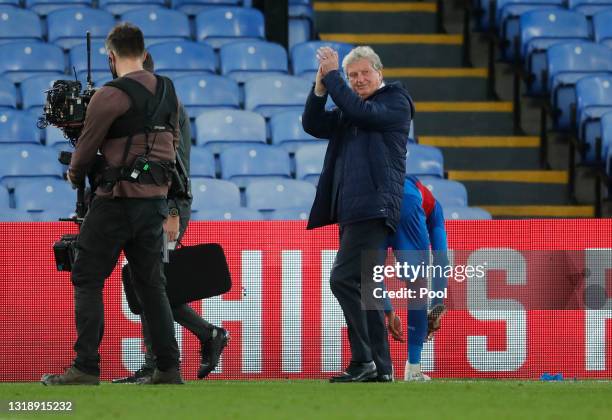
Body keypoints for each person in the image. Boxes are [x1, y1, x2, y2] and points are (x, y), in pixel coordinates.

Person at [41, 23, 182, 385]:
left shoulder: (110, 94)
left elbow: (84, 152)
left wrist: (75, 176)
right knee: (152, 285)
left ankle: (86, 367)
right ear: (144, 53)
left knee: (87, 277)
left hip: (115, 203)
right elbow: (175, 143)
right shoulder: (169, 90)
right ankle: (168, 367)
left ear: (111, 55)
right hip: (154, 203)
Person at [113, 53, 229, 384]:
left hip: (165, 209)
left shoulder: (164, 108)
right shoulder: (159, 105)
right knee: (148, 280)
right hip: (153, 206)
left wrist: (174, 210)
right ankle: (194, 341)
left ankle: (168, 355)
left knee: (150, 282)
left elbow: (174, 165)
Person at [302, 45, 414, 382]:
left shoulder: (394, 101)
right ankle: (381, 368)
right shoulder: (352, 107)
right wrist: (321, 86)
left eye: (364, 73)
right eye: (353, 76)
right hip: (355, 208)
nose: (359, 79)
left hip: (374, 205)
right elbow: (313, 124)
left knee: (343, 279)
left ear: (380, 73)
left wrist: (334, 74)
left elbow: (363, 114)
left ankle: (363, 360)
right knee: (366, 286)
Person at [385, 175, 448, 381]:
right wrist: (437, 304)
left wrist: (388, 311)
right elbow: (441, 257)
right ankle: (413, 368)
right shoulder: (434, 207)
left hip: (371, 198)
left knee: (367, 273)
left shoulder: (423, 196)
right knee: (418, 284)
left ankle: (380, 367)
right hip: (406, 200)